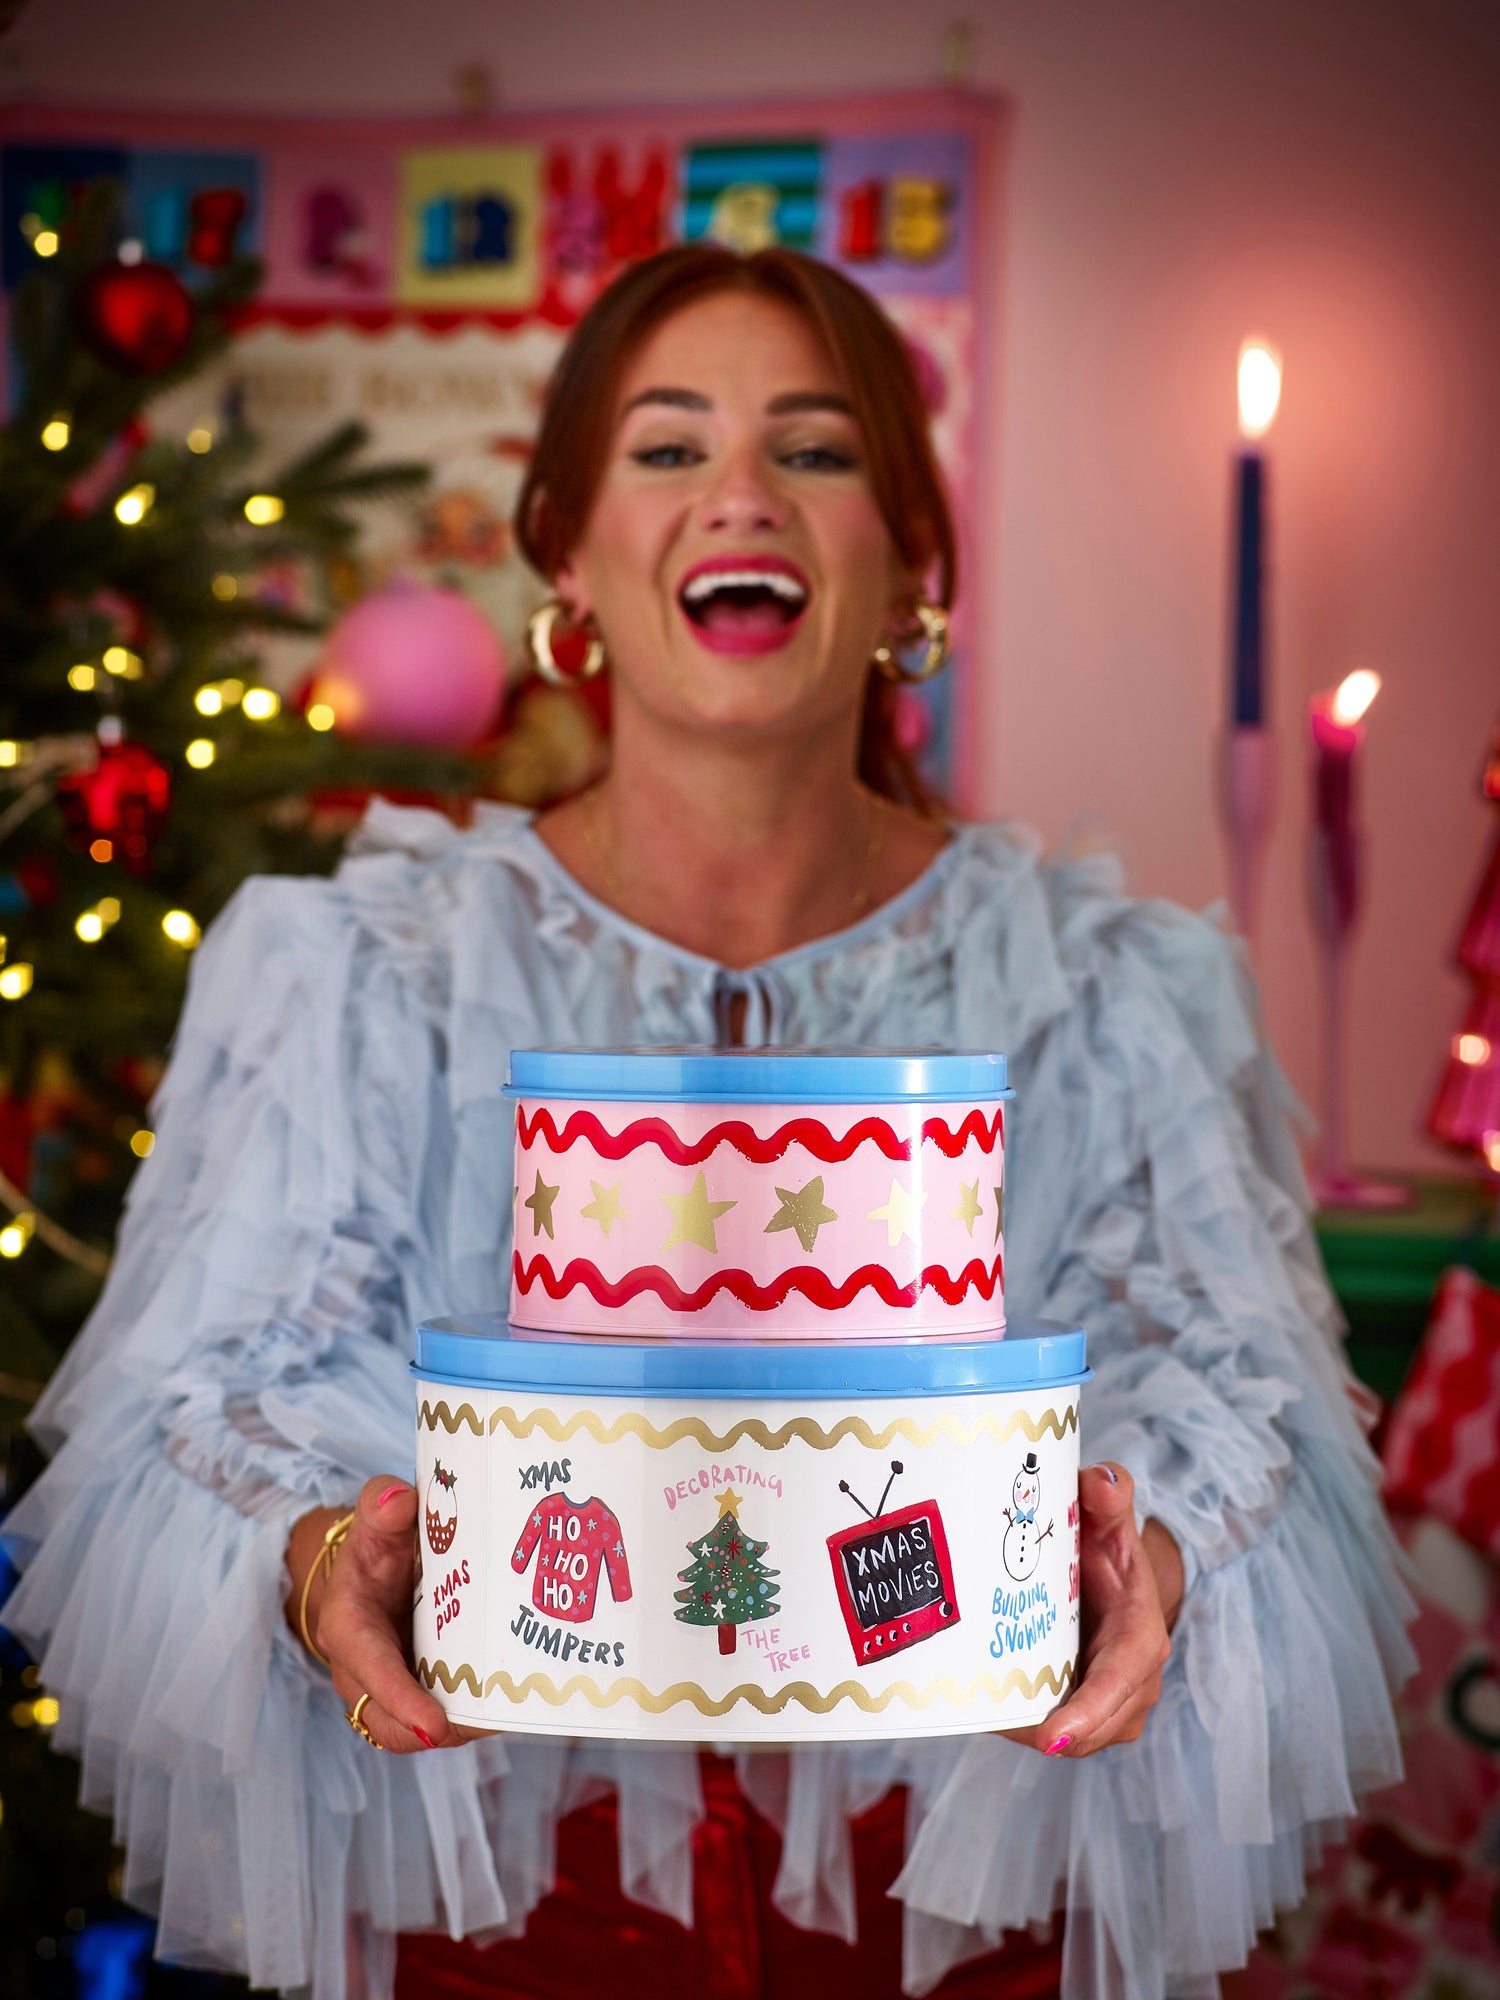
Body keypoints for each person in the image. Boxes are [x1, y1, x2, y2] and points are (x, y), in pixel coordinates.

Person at [4, 246, 1413, 2000]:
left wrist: (1159, 1551)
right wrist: (315, 1555)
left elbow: (1240, 1393)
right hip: (503, 1917)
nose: (740, 492)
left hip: (972, 1911)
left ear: (912, 565)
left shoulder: (1113, 985)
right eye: (668, 448)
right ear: (565, 552)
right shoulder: (362, 971)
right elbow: (203, 1400)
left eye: (814, 451)